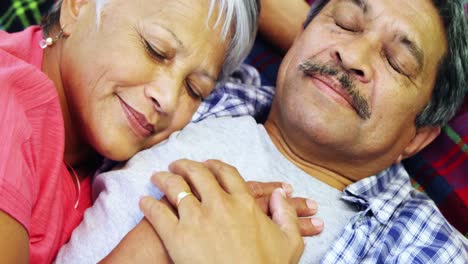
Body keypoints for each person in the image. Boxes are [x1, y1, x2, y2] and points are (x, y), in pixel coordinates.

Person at [56, 0, 468, 263]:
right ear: (301, 33)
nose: (351, 55)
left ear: (418, 137)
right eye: (344, 23)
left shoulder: (428, 249)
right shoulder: (198, 87)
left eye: (397, 61)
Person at [1, 0, 323, 262]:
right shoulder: (8, 101)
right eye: (155, 49)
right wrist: (156, 240)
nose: (168, 98)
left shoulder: (101, 157)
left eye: (195, 89)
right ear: (78, 6)